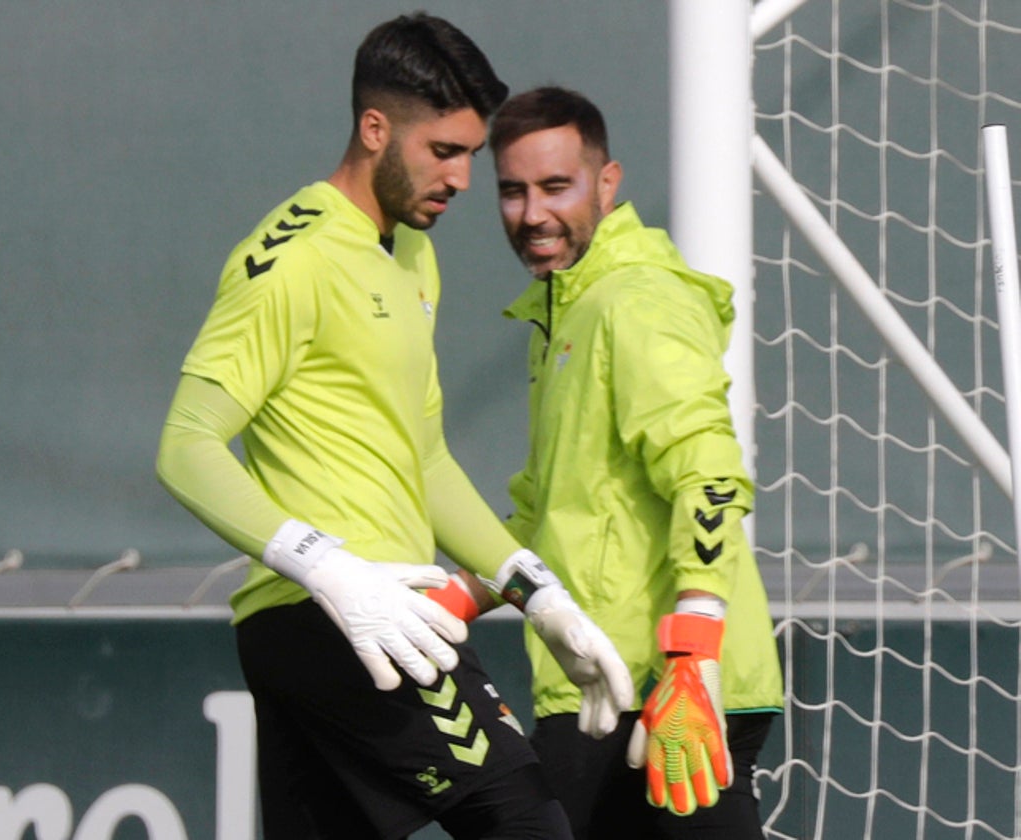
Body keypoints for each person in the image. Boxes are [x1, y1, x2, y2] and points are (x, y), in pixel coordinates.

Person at [156, 21, 633, 840]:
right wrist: (336, 574)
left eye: (471, 157)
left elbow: (427, 459)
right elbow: (186, 446)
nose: (459, 179)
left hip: (344, 624)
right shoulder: (293, 258)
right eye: (442, 150)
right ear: (375, 129)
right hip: (344, 619)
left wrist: (535, 590)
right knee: (528, 823)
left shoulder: (412, 252)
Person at [430, 86, 784, 839]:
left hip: (662, 680)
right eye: (514, 191)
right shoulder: (565, 311)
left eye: (556, 187)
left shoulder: (634, 300)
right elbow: (545, 511)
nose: (533, 214)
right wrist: (456, 599)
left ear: (608, 183)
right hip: (606, 677)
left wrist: (694, 655)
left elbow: (710, 472)